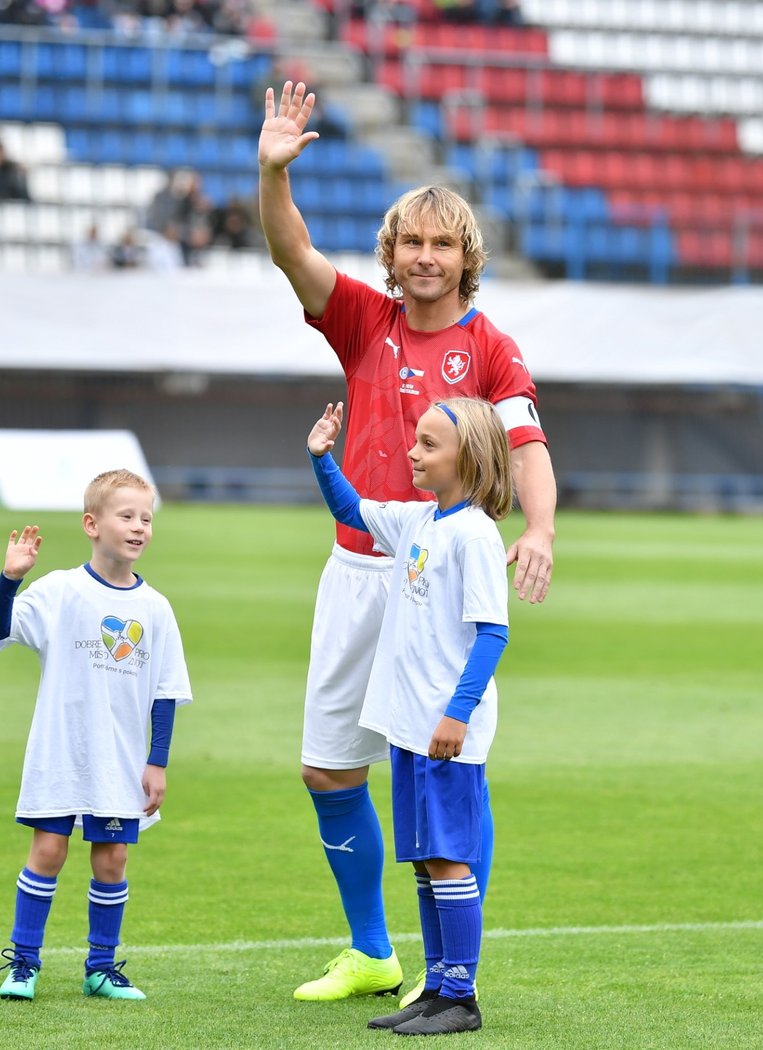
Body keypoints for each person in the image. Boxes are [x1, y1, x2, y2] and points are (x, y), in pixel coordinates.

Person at [258, 80, 556, 1005]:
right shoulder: (362, 319)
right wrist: (272, 176)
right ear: (391, 253)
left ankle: (452, 962)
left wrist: (540, 527)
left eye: (442, 244)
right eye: (411, 243)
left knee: (447, 762)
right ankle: (373, 951)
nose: (425, 257)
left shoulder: (492, 347)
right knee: (326, 765)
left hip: (437, 581)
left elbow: (526, 444)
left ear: (468, 256)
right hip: (358, 566)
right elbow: (293, 251)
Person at [307, 396, 511, 1034]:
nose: (412, 453)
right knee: (425, 860)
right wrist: (322, 457)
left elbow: (492, 635)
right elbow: (352, 510)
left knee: (449, 858)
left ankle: (461, 995)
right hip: (410, 726)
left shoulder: (475, 534)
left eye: (428, 445)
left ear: (468, 458)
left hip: (445, 731)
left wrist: (457, 714)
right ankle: (437, 986)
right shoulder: (420, 521)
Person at [0, 468, 193, 1002]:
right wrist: (10, 579)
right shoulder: (59, 590)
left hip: (120, 757)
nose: (139, 527)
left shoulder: (156, 608)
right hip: (61, 749)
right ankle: (24, 964)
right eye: (126, 516)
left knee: (112, 859)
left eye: (146, 518)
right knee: (49, 849)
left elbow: (165, 691)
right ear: (92, 524)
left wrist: (158, 761)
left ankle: (101, 969)